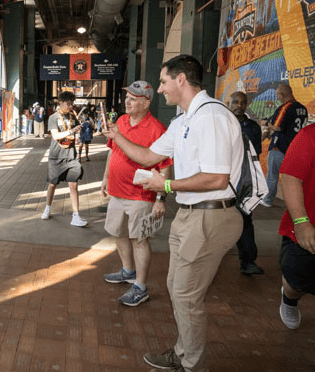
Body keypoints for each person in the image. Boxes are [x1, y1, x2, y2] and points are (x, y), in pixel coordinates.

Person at [103, 55, 244, 372]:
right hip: (190, 214)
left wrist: (165, 188)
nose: (161, 89)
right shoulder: (183, 121)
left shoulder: (211, 117)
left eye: (164, 81)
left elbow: (216, 178)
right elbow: (148, 155)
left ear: (181, 79)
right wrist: (117, 137)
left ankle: (191, 363)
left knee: (185, 294)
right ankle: (183, 352)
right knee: (176, 288)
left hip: (211, 216)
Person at [101, 81, 172, 307]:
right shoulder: (121, 121)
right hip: (117, 192)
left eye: (133, 98)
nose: (127, 102)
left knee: (139, 239)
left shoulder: (157, 129)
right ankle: (128, 270)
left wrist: (161, 199)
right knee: (118, 233)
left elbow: (165, 166)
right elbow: (113, 151)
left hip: (140, 195)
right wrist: (105, 177)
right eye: (127, 97)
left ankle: (140, 287)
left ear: (146, 102)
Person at [277, 122, 315, 330]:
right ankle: (289, 298)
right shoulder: (309, 136)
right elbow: (290, 178)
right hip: (308, 227)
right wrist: (301, 222)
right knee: (298, 280)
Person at [228, 91, 265, 275]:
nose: (239, 106)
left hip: (243, 181)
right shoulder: (221, 123)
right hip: (221, 180)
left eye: (243, 103)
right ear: (229, 102)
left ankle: (248, 261)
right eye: (235, 102)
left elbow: (255, 156)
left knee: (245, 218)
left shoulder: (252, 127)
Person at [41, 91, 87, 227]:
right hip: (56, 156)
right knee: (52, 184)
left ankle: (76, 216)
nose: (70, 106)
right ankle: (47, 208)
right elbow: (55, 136)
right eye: (68, 103)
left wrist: (77, 135)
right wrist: (71, 132)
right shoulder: (53, 118)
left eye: (72, 103)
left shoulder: (73, 116)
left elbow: (76, 133)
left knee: (73, 185)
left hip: (71, 156)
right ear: (60, 102)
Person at [259, 84, 307, 207]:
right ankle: (297, 204)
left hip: (280, 147)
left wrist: (266, 122)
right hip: (296, 148)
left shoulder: (285, 107)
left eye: (277, 95)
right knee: (293, 180)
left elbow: (276, 126)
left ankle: (268, 200)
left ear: (281, 95)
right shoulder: (303, 108)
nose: (277, 98)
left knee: (272, 176)